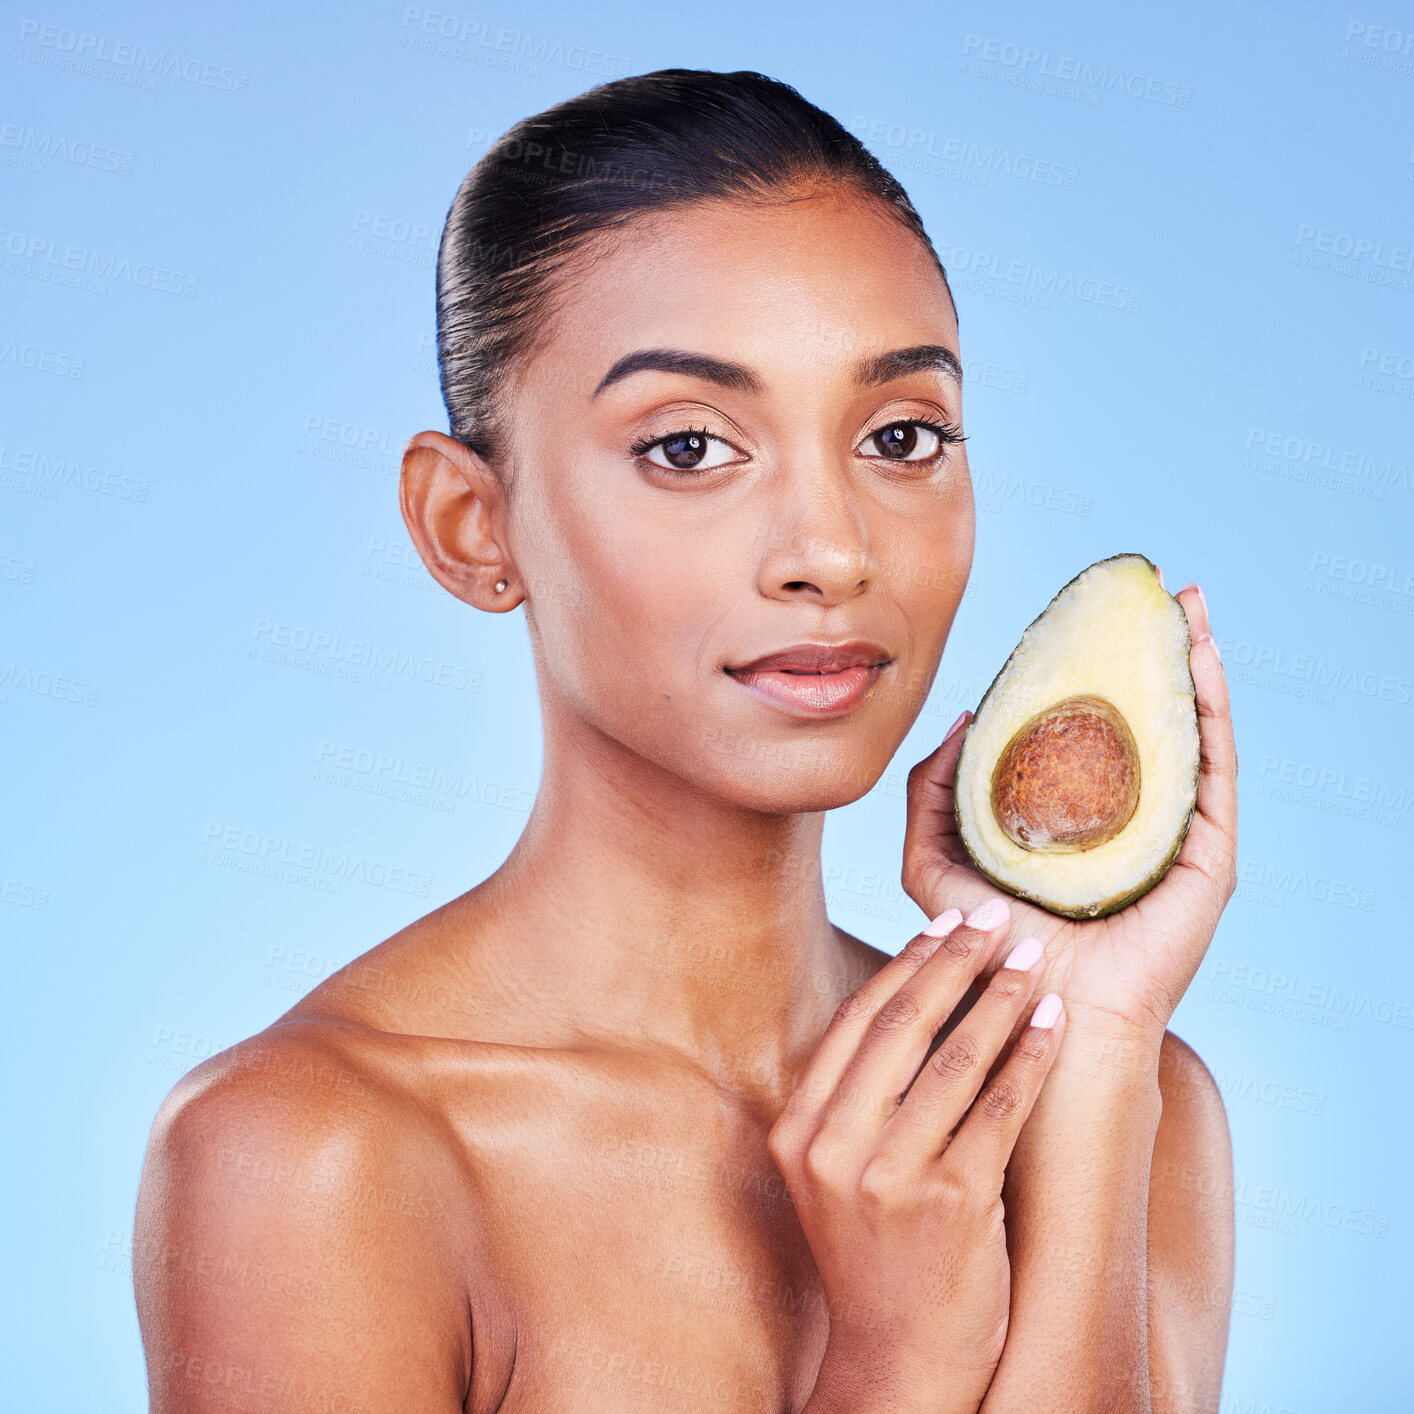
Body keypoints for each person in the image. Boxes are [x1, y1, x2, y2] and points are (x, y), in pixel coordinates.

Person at [133, 68, 1237, 1413]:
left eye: (900, 434)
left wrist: (1097, 1033)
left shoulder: (1134, 1104)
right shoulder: (311, 1153)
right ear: (470, 527)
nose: (830, 549)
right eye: (688, 448)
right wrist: (893, 1359)